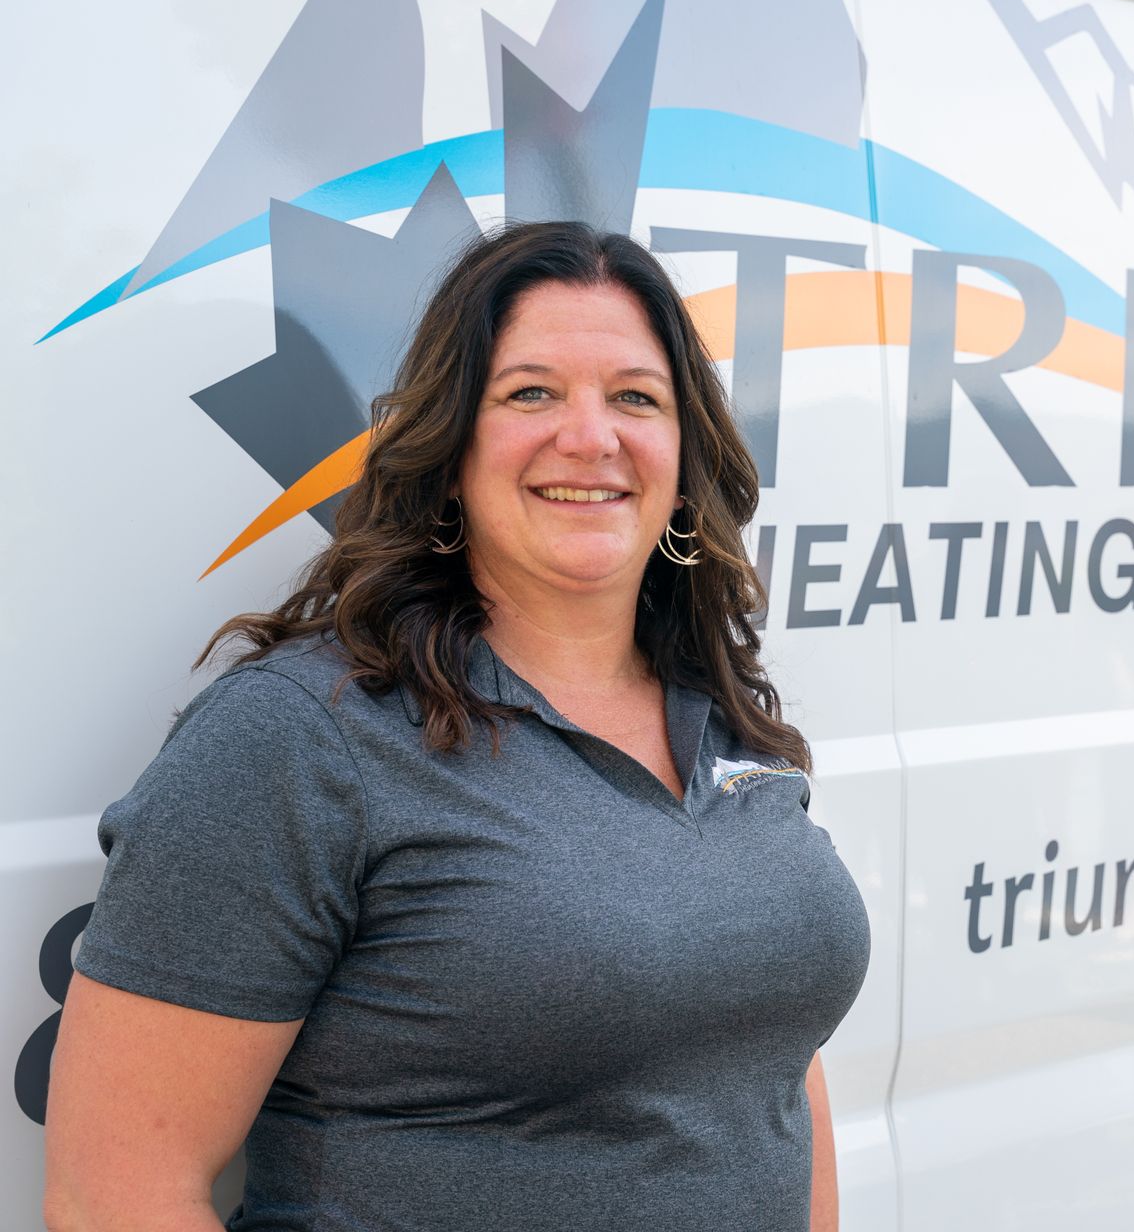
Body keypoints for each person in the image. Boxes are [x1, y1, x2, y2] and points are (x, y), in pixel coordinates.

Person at [42, 222, 872, 1232]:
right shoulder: (307, 737)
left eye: (636, 397)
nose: (590, 436)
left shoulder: (724, 710)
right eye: (530, 392)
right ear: (450, 450)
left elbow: (776, 1071)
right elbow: (114, 1191)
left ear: (683, 452)